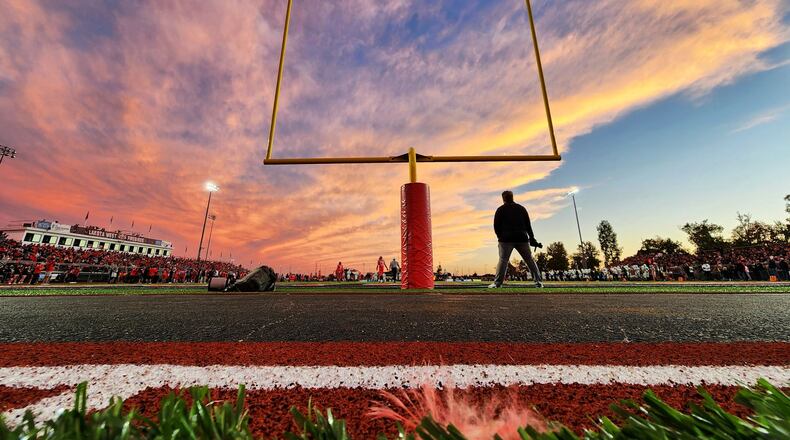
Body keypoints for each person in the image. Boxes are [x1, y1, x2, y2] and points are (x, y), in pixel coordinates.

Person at [489, 190, 543, 288]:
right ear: (512, 197)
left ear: (503, 199)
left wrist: (500, 237)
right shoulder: (521, 208)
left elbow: (496, 226)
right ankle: (538, 282)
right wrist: (532, 238)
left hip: (506, 239)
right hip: (522, 238)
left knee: (503, 260)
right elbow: (528, 225)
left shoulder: (500, 209)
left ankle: (497, 283)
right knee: (529, 259)